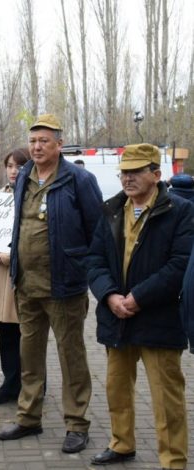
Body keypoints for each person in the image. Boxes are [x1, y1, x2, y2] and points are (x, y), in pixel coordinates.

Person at [0, 114, 103, 454]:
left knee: (71, 357)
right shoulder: (24, 176)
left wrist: (82, 269)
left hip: (64, 287)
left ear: (59, 144)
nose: (37, 147)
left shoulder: (78, 180)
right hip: (27, 286)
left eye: (44, 141)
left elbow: (97, 232)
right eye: (33, 141)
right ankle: (29, 418)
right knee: (30, 356)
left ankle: (77, 424)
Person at [87, 144, 194, 469]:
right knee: (117, 388)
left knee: (167, 397)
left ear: (156, 175)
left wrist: (137, 297)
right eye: (124, 172)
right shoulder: (111, 210)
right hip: (117, 317)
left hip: (158, 318)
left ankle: (173, 460)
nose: (128, 178)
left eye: (136, 171)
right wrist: (109, 296)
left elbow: (180, 265)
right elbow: (94, 260)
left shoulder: (181, 210)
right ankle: (122, 444)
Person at [0, 148, 30, 405]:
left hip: (22, 276)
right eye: (9, 165)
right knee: (5, 333)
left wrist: (8, 257)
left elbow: (35, 240)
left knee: (28, 335)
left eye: (19, 166)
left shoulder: (33, 197)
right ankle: (10, 383)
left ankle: (32, 385)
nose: (13, 171)